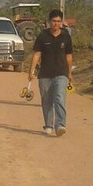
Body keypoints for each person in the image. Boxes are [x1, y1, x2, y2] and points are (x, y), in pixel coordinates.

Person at [28, 8, 74, 136]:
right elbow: (37, 54)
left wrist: (69, 73)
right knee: (47, 100)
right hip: (45, 74)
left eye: (59, 21)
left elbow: (69, 56)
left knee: (59, 97)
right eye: (54, 21)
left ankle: (60, 125)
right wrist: (31, 72)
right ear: (49, 22)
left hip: (61, 72)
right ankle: (48, 125)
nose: (56, 24)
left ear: (61, 22)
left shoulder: (66, 36)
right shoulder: (43, 36)